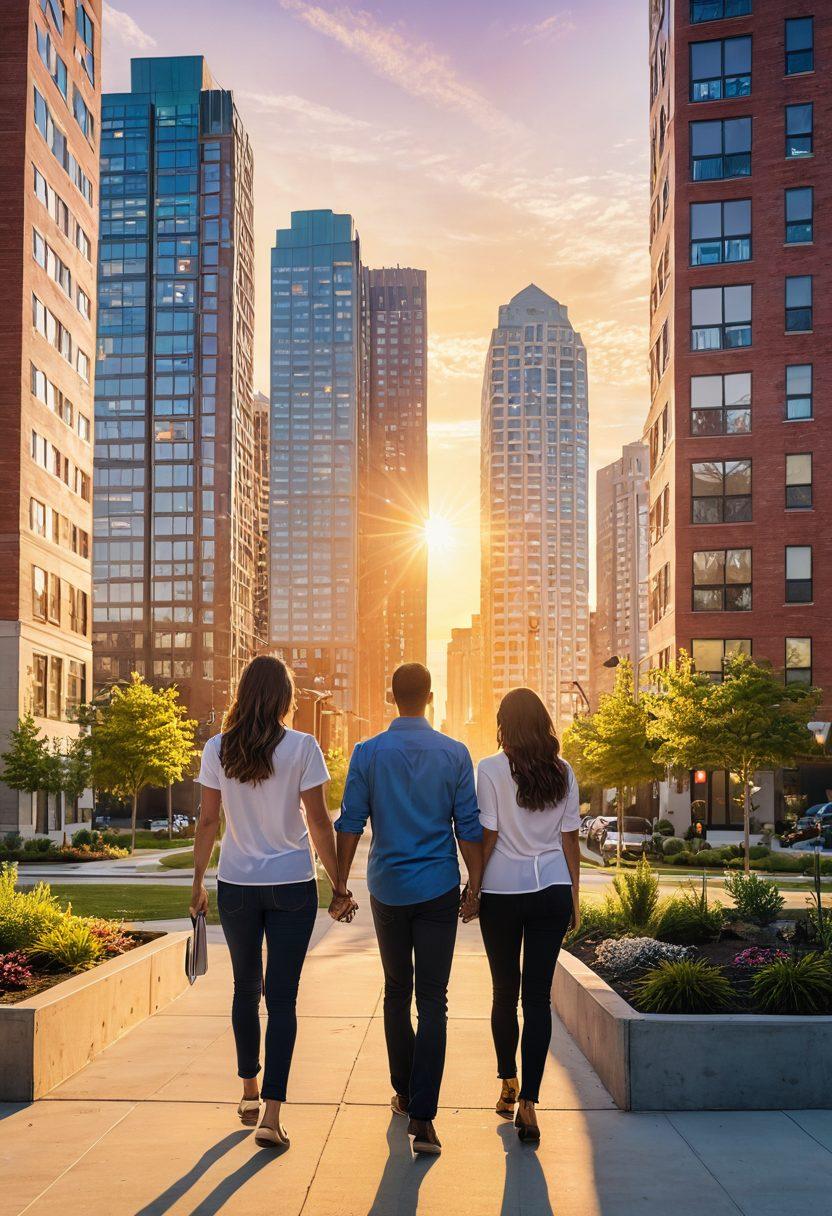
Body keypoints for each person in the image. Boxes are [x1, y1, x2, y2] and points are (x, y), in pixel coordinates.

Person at [190, 656, 355, 1150]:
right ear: (285, 699)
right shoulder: (303, 747)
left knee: (245, 989)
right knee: (281, 999)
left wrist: (197, 882)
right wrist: (339, 885)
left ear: (243, 693)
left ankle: (247, 1092)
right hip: (291, 885)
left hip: (236, 885)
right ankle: (272, 1117)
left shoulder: (219, 749)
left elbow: (206, 822)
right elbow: (319, 822)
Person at [333, 662, 484, 1156]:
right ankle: (423, 1117)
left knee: (397, 992)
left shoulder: (368, 753)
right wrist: (475, 886)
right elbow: (469, 828)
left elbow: (351, 823)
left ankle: (403, 1091)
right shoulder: (455, 753)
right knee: (433, 998)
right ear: (431, 697)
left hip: (389, 890)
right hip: (439, 887)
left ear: (391, 697)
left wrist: (339, 884)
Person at [476, 687, 580, 1144]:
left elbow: (488, 836)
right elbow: (570, 842)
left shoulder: (492, 769)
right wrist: (575, 900)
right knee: (537, 1000)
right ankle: (531, 1104)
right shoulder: (564, 771)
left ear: (504, 725)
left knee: (505, 990)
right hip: (552, 891)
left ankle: (507, 1083)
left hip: (502, 892)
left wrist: (472, 887)